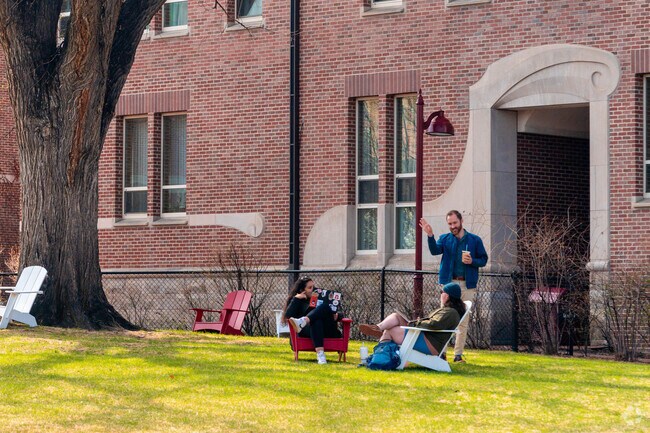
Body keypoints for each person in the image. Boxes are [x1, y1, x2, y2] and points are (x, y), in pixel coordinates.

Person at [418, 210, 488, 363]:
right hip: (449, 285)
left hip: (466, 285)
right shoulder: (445, 239)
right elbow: (435, 250)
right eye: (450, 224)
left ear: (461, 221)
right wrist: (430, 235)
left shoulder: (474, 240)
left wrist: (472, 261)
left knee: (463, 321)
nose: (452, 226)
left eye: (455, 223)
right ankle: (441, 353)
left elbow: (483, 259)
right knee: (443, 319)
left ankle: (458, 355)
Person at [358, 282, 466, 356]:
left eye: (441, 292)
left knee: (389, 331)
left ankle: (379, 358)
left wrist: (417, 323)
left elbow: (433, 324)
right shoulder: (449, 311)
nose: (440, 295)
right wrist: (417, 323)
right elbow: (433, 323)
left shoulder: (450, 312)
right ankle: (377, 328)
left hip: (429, 343)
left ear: (447, 296)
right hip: (424, 336)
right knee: (396, 316)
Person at [282, 276, 342, 364]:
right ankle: (321, 356)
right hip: (308, 330)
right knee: (316, 321)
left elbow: (340, 312)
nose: (313, 289)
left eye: (313, 287)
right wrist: (296, 299)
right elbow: (288, 316)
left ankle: (303, 320)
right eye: (309, 288)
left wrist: (338, 316)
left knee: (325, 306)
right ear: (302, 289)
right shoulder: (297, 300)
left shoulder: (320, 297)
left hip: (327, 329)